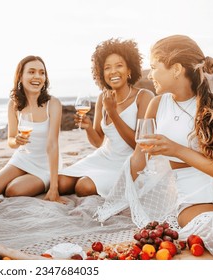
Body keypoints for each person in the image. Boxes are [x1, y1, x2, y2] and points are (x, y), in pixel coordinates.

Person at [96, 35, 213, 256]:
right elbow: (138, 160)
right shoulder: (157, 104)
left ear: (177, 69)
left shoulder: (211, 102)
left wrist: (175, 149)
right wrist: (117, 197)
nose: (150, 75)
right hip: (192, 194)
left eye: (153, 67)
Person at [58, 38, 154, 198]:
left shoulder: (143, 97)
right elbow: (97, 142)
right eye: (107, 67)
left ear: (129, 69)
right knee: (61, 182)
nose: (113, 71)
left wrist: (113, 113)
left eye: (119, 65)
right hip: (104, 156)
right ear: (101, 73)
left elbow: (139, 146)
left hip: (128, 162)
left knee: (83, 186)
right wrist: (88, 127)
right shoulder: (104, 97)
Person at [0, 55, 65, 203]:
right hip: (22, 159)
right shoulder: (14, 104)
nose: (37, 76)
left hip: (45, 164)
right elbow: (11, 141)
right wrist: (16, 141)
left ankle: (36, 181)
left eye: (41, 72)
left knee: (13, 191)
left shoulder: (53, 104)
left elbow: (52, 145)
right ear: (20, 76)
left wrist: (54, 188)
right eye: (31, 72)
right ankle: (22, 178)